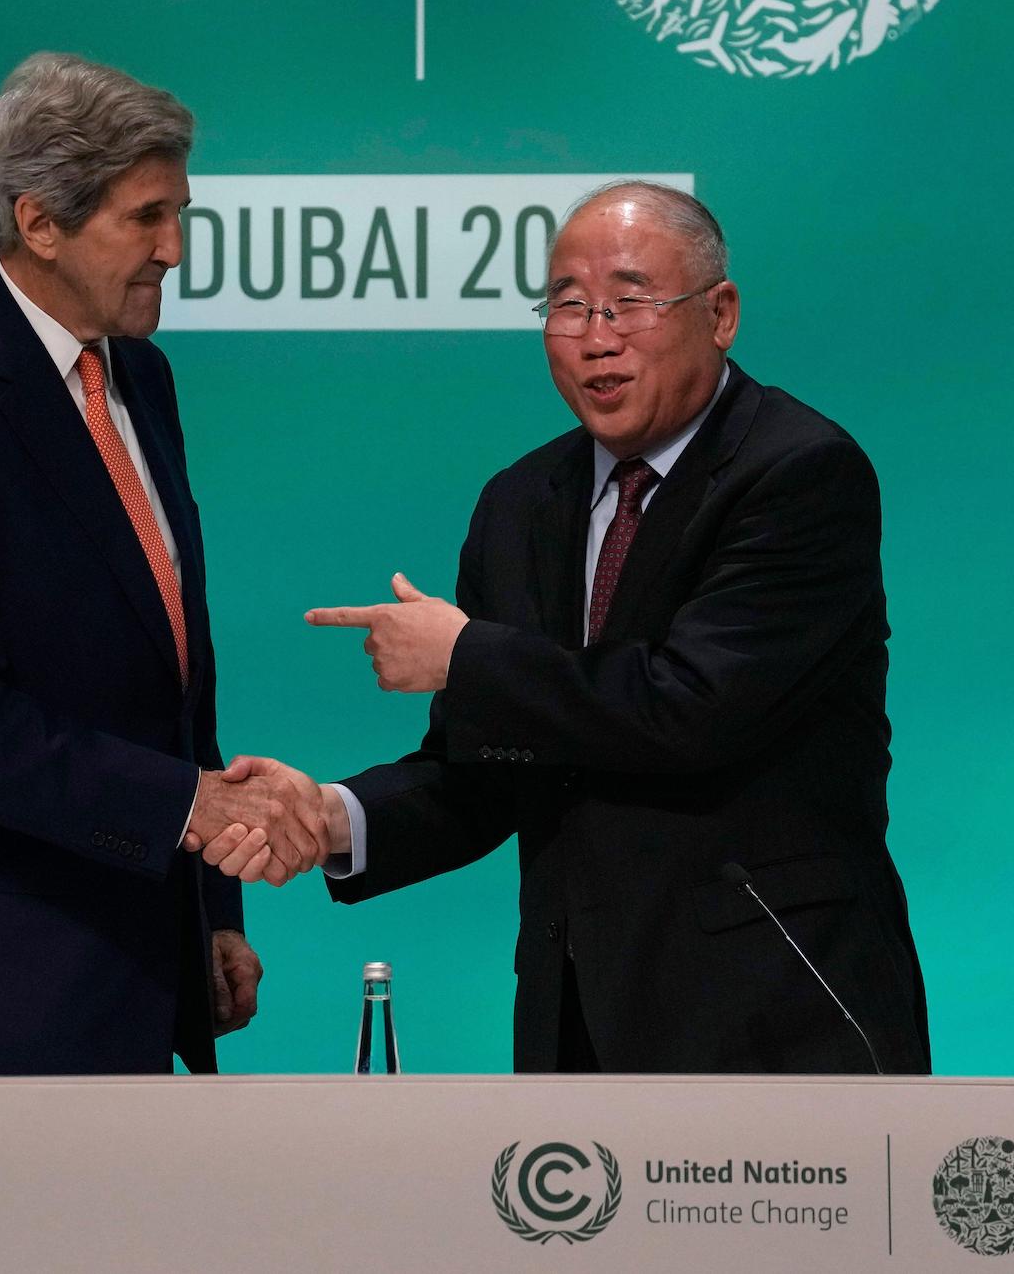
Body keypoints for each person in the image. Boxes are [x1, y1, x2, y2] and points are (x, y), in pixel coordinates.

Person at [255, 180, 931, 1073]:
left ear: (721, 313)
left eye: (629, 302)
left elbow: (689, 706)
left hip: (778, 1012)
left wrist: (464, 653)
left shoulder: (800, 473)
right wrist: (333, 816)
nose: (597, 336)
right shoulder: (518, 502)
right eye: (567, 306)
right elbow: (491, 768)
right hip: (575, 1022)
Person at [0, 51, 332, 1077]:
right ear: (38, 221)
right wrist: (191, 811)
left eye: (177, 214)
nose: (174, 251)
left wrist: (211, 909)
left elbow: (169, 672)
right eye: (144, 218)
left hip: (141, 961)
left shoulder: (140, 375)